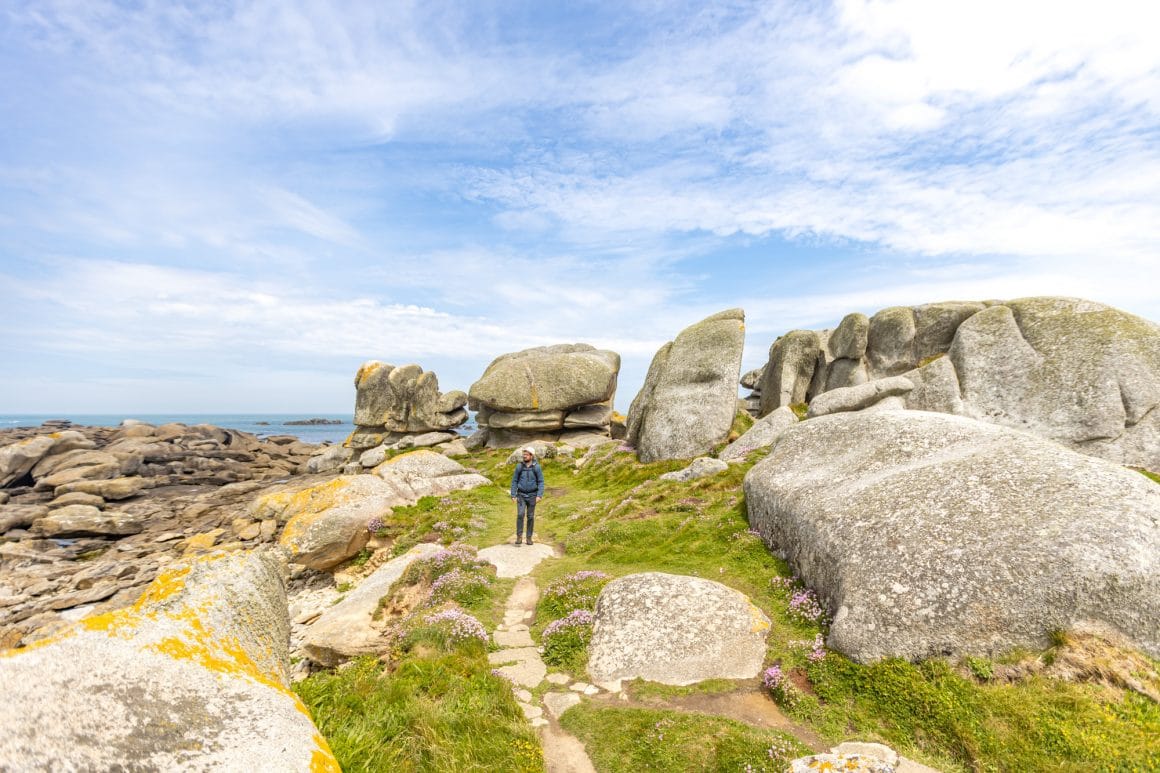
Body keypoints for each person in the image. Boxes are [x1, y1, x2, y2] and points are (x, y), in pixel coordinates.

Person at [510, 446, 544, 545]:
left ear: (531, 456)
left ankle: (529, 538)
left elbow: (541, 482)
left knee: (530, 516)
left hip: (533, 495)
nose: (524, 456)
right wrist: (513, 495)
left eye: (526, 454)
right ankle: (519, 537)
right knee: (520, 515)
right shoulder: (519, 466)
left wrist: (539, 495)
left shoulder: (537, 467)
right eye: (523, 454)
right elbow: (514, 481)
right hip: (520, 495)